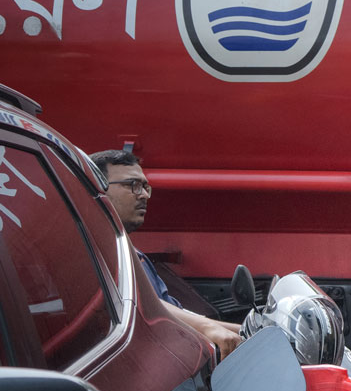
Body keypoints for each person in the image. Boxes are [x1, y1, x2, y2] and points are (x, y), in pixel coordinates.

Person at [88, 147, 241, 355]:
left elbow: (174, 311)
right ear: (97, 188)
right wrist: (209, 328)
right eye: (132, 185)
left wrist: (245, 331)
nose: (143, 195)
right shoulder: (88, 253)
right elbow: (136, 303)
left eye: (145, 187)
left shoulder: (135, 256)